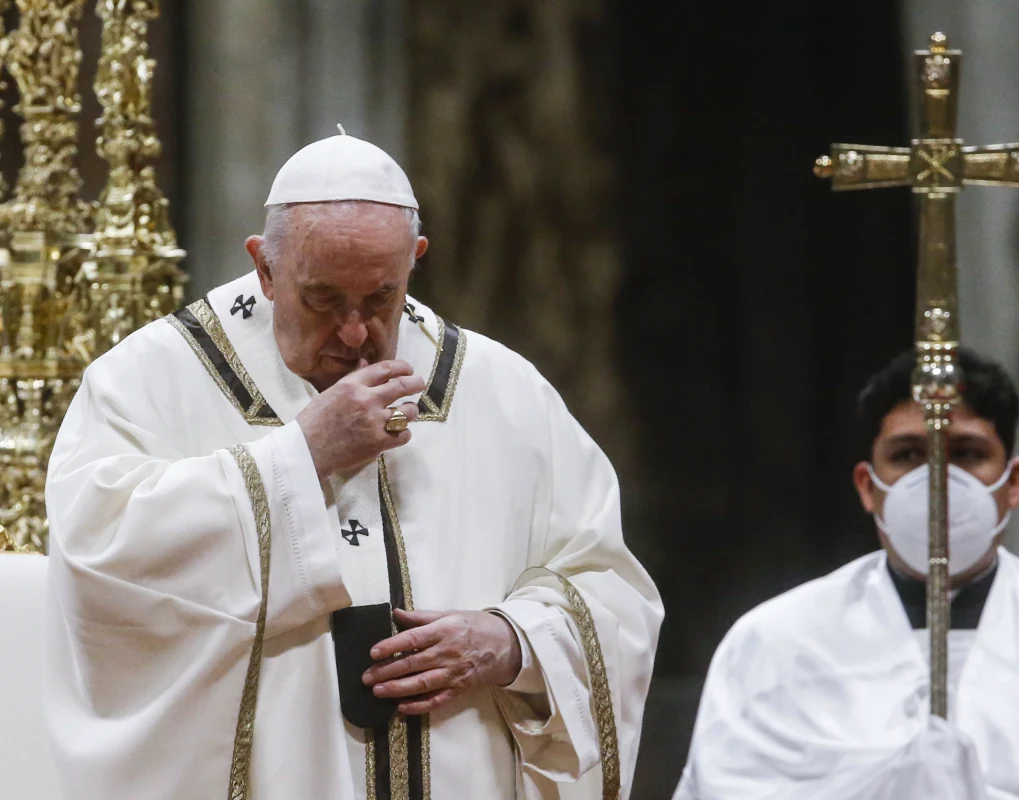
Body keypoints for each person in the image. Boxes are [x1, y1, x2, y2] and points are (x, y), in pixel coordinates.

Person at [44, 131, 662, 800]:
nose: (354, 333)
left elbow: (612, 590)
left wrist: (514, 641)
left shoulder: (505, 393)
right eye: (322, 300)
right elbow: (97, 556)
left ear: (416, 260)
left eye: (379, 299)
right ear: (265, 268)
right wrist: (299, 455)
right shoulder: (149, 381)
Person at [674, 349, 1019, 799]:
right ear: (867, 485)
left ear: (1014, 482)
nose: (937, 482)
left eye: (966, 454)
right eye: (907, 456)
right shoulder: (771, 645)